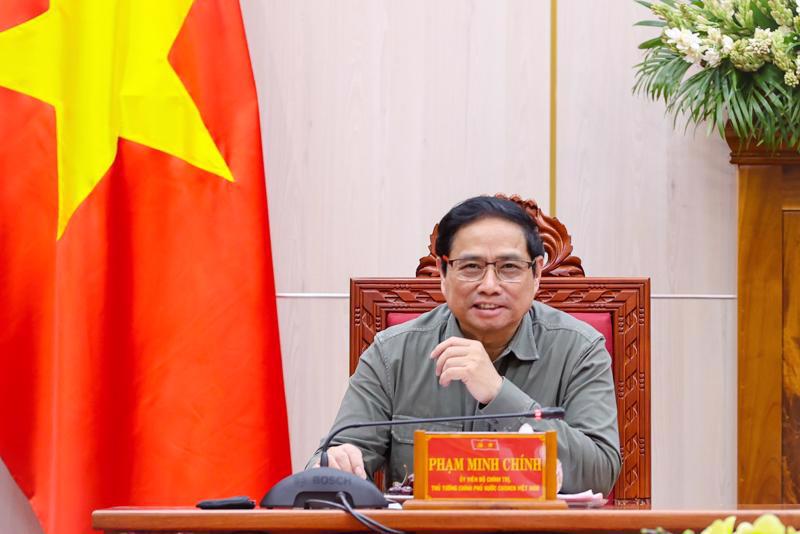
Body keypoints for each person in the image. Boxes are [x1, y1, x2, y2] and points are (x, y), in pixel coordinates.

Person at [307, 196, 621, 494]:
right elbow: (326, 466)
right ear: (443, 272)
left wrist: (500, 394)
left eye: (509, 268)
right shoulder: (392, 353)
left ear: (537, 273)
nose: (489, 286)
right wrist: (335, 462)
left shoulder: (580, 349)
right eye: (471, 267)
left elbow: (601, 472)